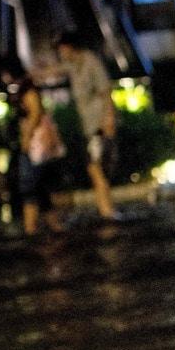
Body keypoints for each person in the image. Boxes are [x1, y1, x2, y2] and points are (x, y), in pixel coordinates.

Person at [55, 32, 117, 220]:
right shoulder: (75, 64)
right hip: (90, 125)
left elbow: (106, 91)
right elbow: (56, 70)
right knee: (96, 168)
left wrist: (108, 120)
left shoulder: (90, 61)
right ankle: (105, 209)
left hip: (98, 124)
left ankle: (107, 211)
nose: (60, 52)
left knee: (95, 167)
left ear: (69, 47)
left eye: (62, 48)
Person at [0, 60, 66, 235]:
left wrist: (26, 137)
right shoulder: (24, 88)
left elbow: (36, 113)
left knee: (28, 184)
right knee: (39, 186)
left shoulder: (27, 90)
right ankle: (53, 225)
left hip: (35, 145)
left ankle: (31, 228)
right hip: (34, 144)